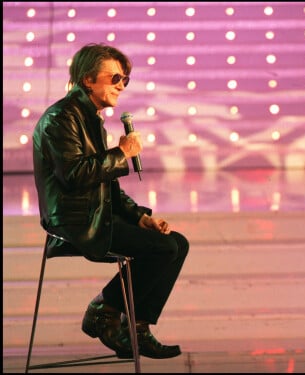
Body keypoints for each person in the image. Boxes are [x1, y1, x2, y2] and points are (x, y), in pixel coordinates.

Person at [32, 43, 189, 359]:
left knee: (176, 243)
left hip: (95, 213)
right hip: (74, 220)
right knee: (164, 248)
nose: (121, 85)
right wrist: (121, 154)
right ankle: (104, 310)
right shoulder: (61, 118)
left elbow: (105, 186)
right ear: (88, 79)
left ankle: (137, 327)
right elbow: (74, 175)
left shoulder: (89, 118)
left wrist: (139, 217)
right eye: (115, 77)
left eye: (125, 80)